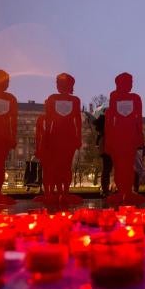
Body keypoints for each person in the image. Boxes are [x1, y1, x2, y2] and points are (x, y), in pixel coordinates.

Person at [105, 72, 145, 205]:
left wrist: (140, 136)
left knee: (128, 166)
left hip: (130, 138)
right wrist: (109, 139)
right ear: (119, 83)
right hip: (117, 138)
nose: (131, 84)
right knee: (119, 166)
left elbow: (138, 119)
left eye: (131, 82)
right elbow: (110, 120)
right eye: (128, 81)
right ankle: (121, 192)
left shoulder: (136, 98)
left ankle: (128, 192)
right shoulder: (114, 97)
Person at [43, 73, 82, 204]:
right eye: (58, 83)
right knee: (56, 165)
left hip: (69, 137)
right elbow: (48, 120)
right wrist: (47, 136)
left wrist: (78, 137)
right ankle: (58, 192)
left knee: (66, 166)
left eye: (62, 83)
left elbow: (78, 120)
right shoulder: (52, 98)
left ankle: (65, 192)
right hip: (55, 136)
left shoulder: (75, 100)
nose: (59, 85)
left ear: (70, 85)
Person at [0, 69, 17, 204]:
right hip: (2, 136)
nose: (7, 84)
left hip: (3, 138)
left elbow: (13, 121)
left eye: (8, 82)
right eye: (6, 81)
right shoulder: (10, 99)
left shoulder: (11, 98)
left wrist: (12, 137)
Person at [92, 106, 113, 197]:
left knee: (107, 168)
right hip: (106, 144)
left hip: (105, 144)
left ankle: (105, 189)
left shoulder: (102, 119)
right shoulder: (105, 119)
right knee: (107, 168)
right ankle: (105, 189)